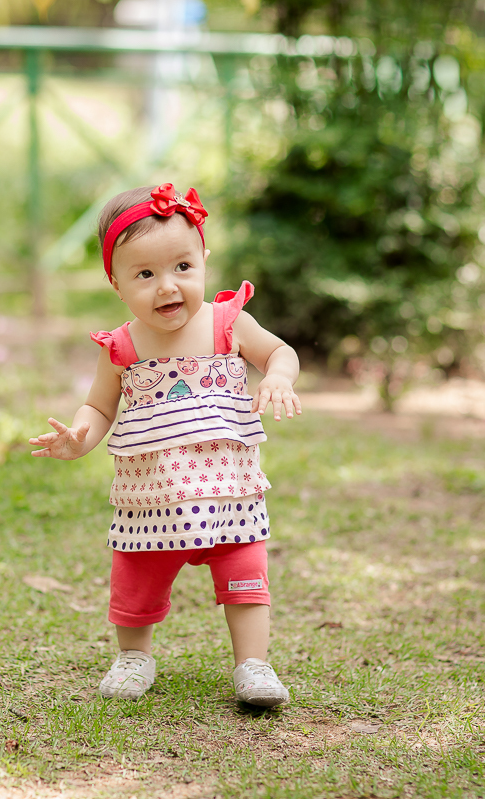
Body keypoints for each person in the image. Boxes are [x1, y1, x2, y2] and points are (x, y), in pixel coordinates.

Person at [28, 183, 302, 706]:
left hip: (229, 494)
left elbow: (280, 352)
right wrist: (78, 438)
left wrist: (279, 378)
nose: (167, 287)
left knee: (246, 576)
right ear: (117, 284)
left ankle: (254, 664)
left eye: (182, 267)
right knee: (135, 578)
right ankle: (134, 655)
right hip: (150, 499)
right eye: (145, 275)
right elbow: (100, 408)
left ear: (203, 260)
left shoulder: (228, 324)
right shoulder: (123, 347)